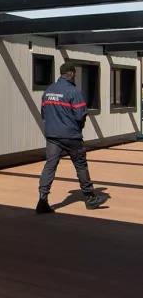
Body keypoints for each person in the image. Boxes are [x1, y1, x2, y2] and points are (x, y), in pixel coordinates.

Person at [36, 62, 107, 214]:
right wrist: (77, 128)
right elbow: (81, 115)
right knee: (80, 165)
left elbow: (44, 114)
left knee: (49, 166)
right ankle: (90, 198)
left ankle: (42, 200)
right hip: (71, 136)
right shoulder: (74, 92)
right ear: (71, 74)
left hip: (52, 136)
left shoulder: (48, 91)